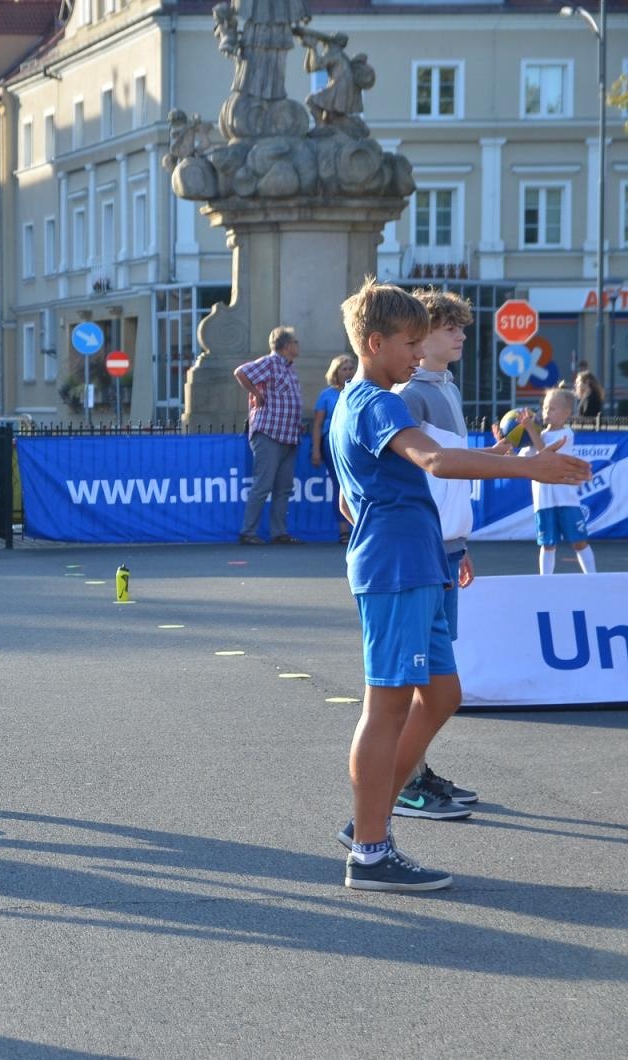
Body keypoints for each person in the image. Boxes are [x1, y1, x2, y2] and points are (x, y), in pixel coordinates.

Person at [328, 278, 589, 893]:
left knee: (441, 696)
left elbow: (350, 499)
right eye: (410, 342)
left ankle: (369, 824)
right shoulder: (375, 402)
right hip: (397, 568)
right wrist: (529, 466)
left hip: (418, 562)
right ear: (375, 342)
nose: (419, 355)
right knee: (386, 707)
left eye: (424, 342)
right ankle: (369, 850)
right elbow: (438, 463)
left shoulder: (361, 401)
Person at [389, 287, 481, 822]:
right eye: (451, 327)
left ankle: (417, 772)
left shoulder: (443, 387)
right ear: (421, 339)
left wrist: (461, 544)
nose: (461, 334)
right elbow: (418, 470)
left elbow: (448, 466)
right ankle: (406, 782)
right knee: (418, 679)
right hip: (422, 554)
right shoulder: (410, 395)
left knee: (432, 679)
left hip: (446, 549)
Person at [233, 326, 303, 545]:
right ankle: (248, 532)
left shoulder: (289, 368)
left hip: (288, 435)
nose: (298, 345)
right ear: (286, 345)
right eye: (295, 341)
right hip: (269, 433)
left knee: (283, 488)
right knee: (263, 485)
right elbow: (241, 372)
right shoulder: (271, 362)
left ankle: (279, 532)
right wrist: (256, 394)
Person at [526, 386, 597, 576]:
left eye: (552, 408)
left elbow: (546, 455)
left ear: (566, 414)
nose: (546, 412)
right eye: (545, 407)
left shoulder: (566, 435)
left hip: (566, 500)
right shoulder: (537, 435)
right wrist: (509, 442)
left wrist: (531, 431)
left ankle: (593, 579)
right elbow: (524, 458)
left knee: (579, 541)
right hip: (544, 501)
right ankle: (545, 582)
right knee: (548, 544)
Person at [309, 353, 355, 540]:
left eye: (351, 368)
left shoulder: (359, 390)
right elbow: (318, 425)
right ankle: (344, 530)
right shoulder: (326, 395)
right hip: (332, 444)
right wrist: (316, 450)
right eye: (344, 369)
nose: (348, 372)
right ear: (336, 372)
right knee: (340, 485)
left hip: (355, 442)